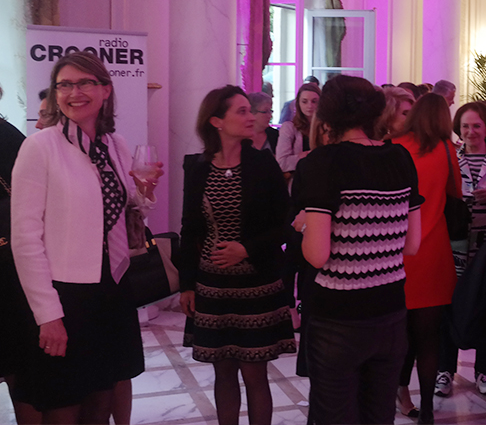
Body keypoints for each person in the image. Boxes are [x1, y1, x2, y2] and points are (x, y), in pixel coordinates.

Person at [11, 51, 161, 424]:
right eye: (64, 85)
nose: (73, 92)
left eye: (84, 83)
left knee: (101, 401)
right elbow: (25, 239)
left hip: (112, 288)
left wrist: (144, 191)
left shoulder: (116, 145)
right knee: (64, 405)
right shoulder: (40, 148)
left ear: (105, 90)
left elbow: (128, 214)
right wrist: (48, 315)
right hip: (66, 294)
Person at [294, 75, 423, 424]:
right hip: (392, 313)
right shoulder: (400, 158)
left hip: (339, 317)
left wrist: (304, 225)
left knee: (333, 417)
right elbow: (412, 244)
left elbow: (317, 255)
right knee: (378, 415)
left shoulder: (321, 163)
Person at [179, 85, 296, 425]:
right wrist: (187, 285)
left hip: (256, 284)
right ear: (217, 121)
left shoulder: (263, 164)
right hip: (212, 287)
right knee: (223, 374)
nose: (252, 117)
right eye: (241, 111)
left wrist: (246, 248)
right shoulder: (197, 167)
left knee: (255, 375)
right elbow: (190, 230)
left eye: (252, 110)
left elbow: (286, 222)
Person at [393, 93, 460, 424]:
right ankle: (429, 409)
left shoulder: (395, 146)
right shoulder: (447, 149)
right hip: (434, 253)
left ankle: (398, 392)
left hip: (399, 252)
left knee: (399, 334)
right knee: (429, 337)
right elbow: (456, 194)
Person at [435, 101, 486, 398]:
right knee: (451, 304)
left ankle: (484, 370)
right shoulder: (450, 157)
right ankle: (445, 369)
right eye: (465, 127)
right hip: (456, 243)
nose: (471, 132)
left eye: (476, 126)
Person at [0, 86, 42, 425]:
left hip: (8, 271)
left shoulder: (7, 138)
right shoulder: (11, 135)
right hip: (11, 265)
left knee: (18, 365)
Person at [276, 82, 321, 182]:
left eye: (314, 101)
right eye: (304, 101)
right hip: (299, 182)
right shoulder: (289, 127)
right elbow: (281, 163)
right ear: (298, 103)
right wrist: (307, 155)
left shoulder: (326, 127)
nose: (310, 105)